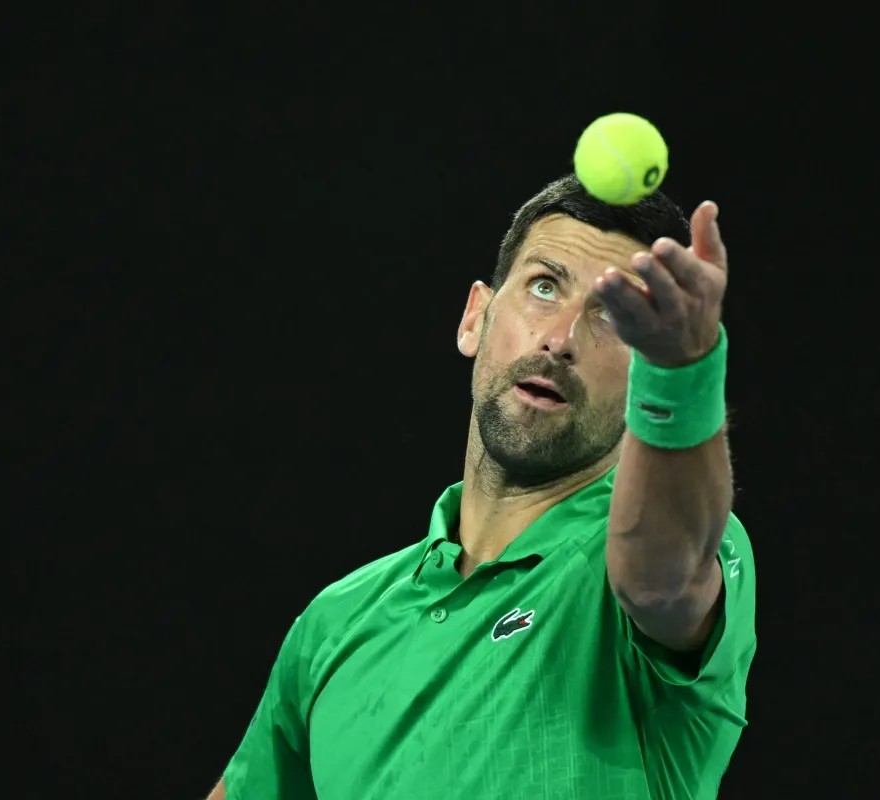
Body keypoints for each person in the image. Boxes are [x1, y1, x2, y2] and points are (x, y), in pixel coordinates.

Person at [206, 175, 756, 800]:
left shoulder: (659, 548)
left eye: (614, 315)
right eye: (544, 287)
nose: (561, 340)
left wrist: (683, 372)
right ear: (476, 317)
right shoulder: (335, 622)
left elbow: (660, 582)